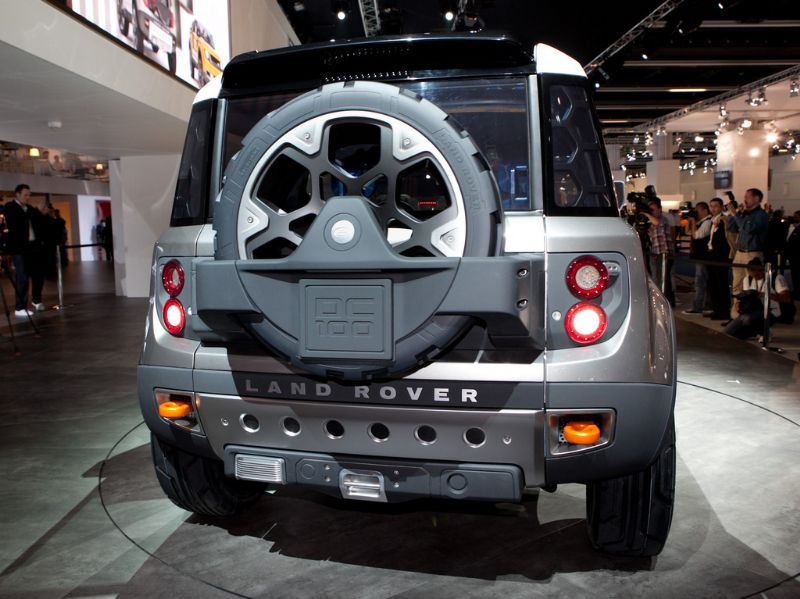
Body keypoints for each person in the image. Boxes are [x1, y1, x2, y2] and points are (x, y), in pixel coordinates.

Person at [2, 184, 48, 317]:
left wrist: (40, 213)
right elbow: (17, 222)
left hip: (33, 247)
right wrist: (36, 211)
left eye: (29, 195)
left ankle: (36, 300)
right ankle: (20, 307)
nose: (28, 197)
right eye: (25, 195)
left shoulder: (28, 208)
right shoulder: (10, 207)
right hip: (19, 248)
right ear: (17, 194)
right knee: (22, 276)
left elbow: (38, 221)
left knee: (38, 274)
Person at [724, 257, 791, 339]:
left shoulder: (776, 278)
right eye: (753, 270)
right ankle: (760, 331)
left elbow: (786, 298)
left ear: (764, 269)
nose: (756, 273)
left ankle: (764, 331)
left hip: (771, 312)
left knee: (746, 319)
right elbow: (745, 298)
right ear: (748, 270)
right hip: (752, 311)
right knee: (730, 334)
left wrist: (764, 295)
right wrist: (738, 304)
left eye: (760, 270)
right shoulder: (747, 279)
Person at [726, 188, 768, 296]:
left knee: (752, 284)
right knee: (736, 284)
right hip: (739, 253)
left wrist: (735, 215)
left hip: (753, 254)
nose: (744, 199)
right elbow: (731, 227)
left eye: (747, 197)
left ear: (757, 199)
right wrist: (735, 213)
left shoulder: (761, 215)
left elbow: (748, 229)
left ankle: (753, 305)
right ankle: (737, 306)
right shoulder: (744, 213)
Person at [683, 201, 712, 314]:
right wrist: (690, 221)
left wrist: (694, 221)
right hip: (699, 256)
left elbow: (696, 235)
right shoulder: (700, 222)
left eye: (697, 210)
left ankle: (699, 306)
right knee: (702, 281)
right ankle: (704, 305)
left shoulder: (708, 222)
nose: (696, 213)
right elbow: (687, 231)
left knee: (700, 282)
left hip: (704, 257)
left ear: (705, 210)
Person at [645, 197, 675, 305]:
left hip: (664, 252)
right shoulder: (652, 222)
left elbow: (657, 223)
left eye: (653, 210)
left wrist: (646, 214)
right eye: (650, 210)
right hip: (657, 252)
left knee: (663, 279)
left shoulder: (663, 219)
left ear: (660, 209)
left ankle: (665, 302)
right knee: (660, 277)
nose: (652, 212)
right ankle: (667, 300)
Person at [706, 197, 731, 320]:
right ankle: (716, 309)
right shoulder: (712, 220)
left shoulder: (724, 220)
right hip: (712, 255)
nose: (713, 208)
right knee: (713, 284)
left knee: (721, 284)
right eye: (711, 206)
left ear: (721, 207)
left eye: (716, 206)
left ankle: (724, 311)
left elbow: (725, 240)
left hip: (720, 257)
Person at [786, 210, 800, 301]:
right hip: (793, 257)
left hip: (797, 257)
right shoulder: (794, 227)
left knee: (797, 275)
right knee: (795, 275)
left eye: (796, 216)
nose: (794, 218)